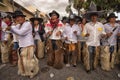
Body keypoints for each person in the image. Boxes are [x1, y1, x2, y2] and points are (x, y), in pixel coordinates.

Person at [10, 10, 39, 78]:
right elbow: (11, 30)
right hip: (22, 46)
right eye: (16, 17)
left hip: (29, 46)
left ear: (23, 18)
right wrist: (13, 26)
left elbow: (20, 32)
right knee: (23, 61)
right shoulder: (19, 25)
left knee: (29, 62)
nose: (18, 19)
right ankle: (26, 72)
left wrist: (12, 27)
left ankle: (33, 72)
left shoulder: (27, 24)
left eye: (19, 17)